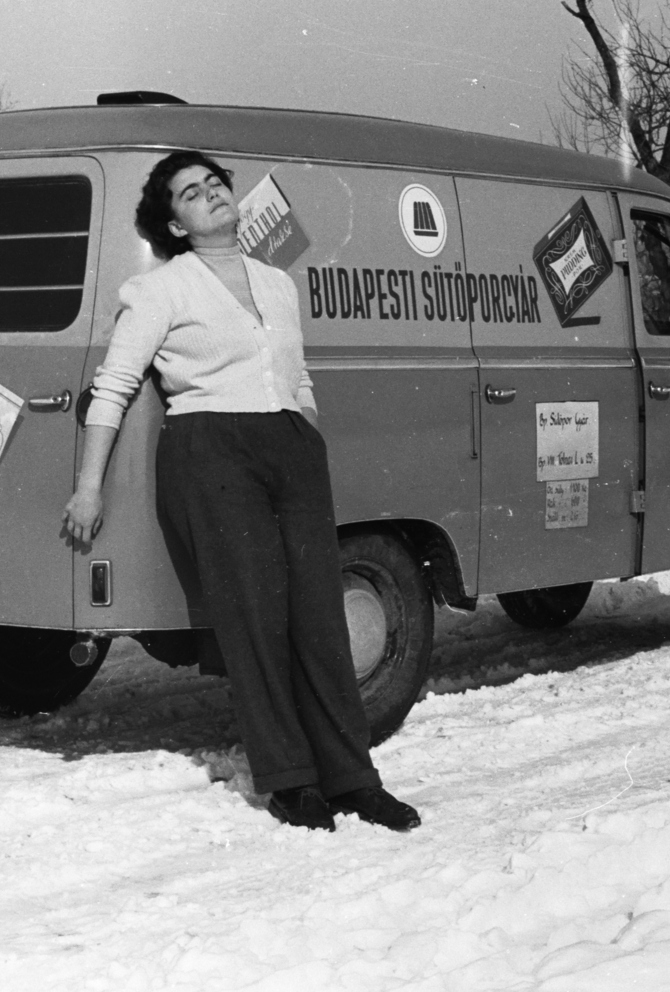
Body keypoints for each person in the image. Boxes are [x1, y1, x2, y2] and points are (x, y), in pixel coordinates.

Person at [61, 150, 420, 833]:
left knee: (320, 614)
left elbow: (298, 372)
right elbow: (114, 384)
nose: (210, 196)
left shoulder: (276, 282)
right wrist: (88, 486)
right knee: (255, 618)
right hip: (212, 450)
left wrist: (302, 426)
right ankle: (291, 782)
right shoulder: (162, 289)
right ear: (174, 222)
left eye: (214, 184)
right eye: (191, 193)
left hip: (290, 448)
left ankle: (354, 779)